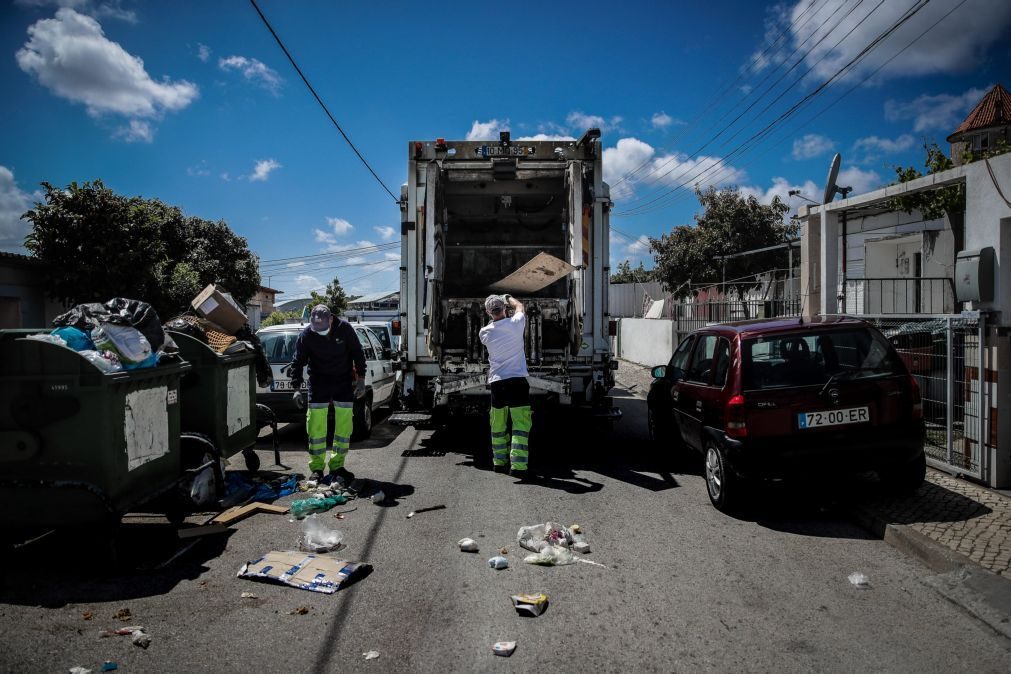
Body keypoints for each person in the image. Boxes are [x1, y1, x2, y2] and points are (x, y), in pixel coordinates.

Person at [289, 305, 366, 484]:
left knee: (344, 425)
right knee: (315, 425)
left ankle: (337, 466)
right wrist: (296, 388)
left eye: (323, 328)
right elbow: (297, 361)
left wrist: (361, 379)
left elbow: (357, 353)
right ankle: (317, 469)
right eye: (317, 329)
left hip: (343, 381)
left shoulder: (345, 329)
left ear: (331, 318)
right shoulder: (307, 335)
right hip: (319, 382)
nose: (320, 332)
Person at [479, 294, 532, 477]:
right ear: (504, 308)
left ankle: (499, 462)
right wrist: (508, 297)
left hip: (497, 382)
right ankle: (518, 466)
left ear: (487, 312)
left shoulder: (484, 332)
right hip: (517, 381)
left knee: (498, 423)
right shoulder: (516, 324)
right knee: (520, 423)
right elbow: (521, 306)